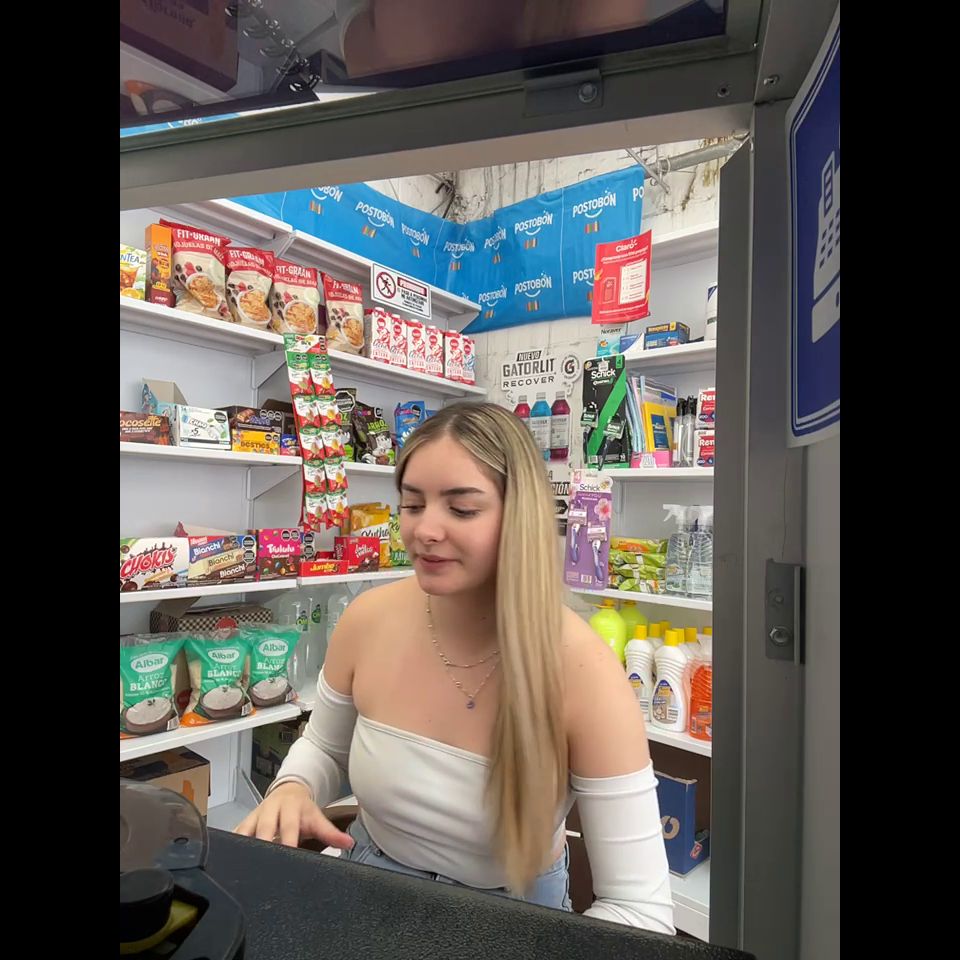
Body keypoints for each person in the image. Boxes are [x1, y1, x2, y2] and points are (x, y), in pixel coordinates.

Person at [237, 401, 675, 932]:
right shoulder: (367, 619)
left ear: (519, 517)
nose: (425, 529)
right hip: (369, 882)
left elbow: (640, 909)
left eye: (462, 509)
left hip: (514, 920)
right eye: (412, 504)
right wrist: (294, 786)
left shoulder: (585, 672)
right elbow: (326, 747)